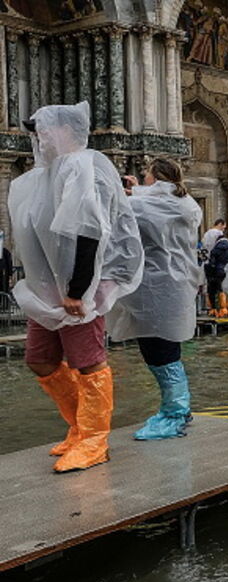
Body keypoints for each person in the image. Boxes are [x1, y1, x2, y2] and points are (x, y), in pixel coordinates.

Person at [10, 102, 143, 472]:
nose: (39, 137)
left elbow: (89, 230)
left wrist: (78, 289)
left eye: (44, 129)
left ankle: (95, 440)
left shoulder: (82, 166)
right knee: (39, 359)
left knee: (87, 362)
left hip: (77, 290)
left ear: (66, 131)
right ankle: (79, 427)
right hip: (47, 291)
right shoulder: (41, 176)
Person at [110, 158, 201, 440]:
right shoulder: (185, 203)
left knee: (159, 351)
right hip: (174, 286)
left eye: (147, 174)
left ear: (156, 178)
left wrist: (126, 193)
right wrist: (138, 191)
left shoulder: (148, 205)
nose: (144, 177)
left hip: (158, 287)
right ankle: (178, 407)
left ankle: (176, 413)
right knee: (166, 347)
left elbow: (128, 213)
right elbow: (151, 206)